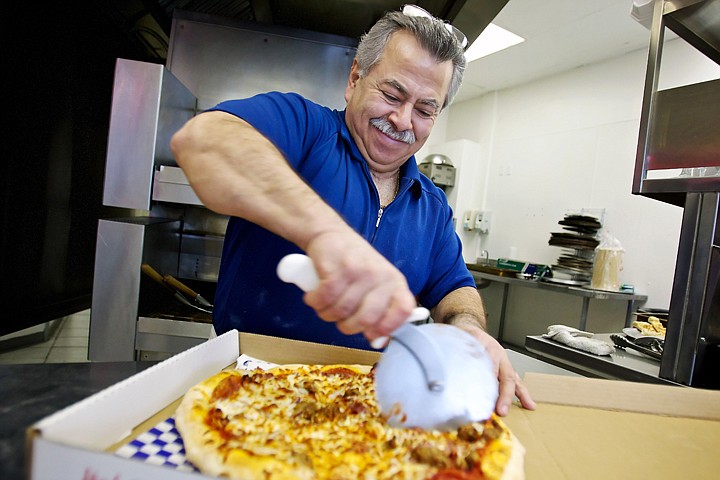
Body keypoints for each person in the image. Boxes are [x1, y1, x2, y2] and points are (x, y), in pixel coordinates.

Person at [170, 5, 535, 416]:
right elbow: (205, 141)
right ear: (355, 79)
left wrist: (468, 330)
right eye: (392, 95)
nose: (402, 120)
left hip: (365, 405)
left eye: (424, 109)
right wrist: (328, 234)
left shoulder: (431, 206)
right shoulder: (305, 128)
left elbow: (454, 287)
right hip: (246, 390)